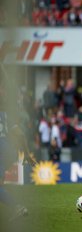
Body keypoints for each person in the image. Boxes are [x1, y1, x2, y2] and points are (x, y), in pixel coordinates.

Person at [0, 71, 37, 222]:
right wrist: (27, 155)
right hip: (8, 149)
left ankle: (17, 207)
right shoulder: (6, 114)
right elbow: (20, 134)